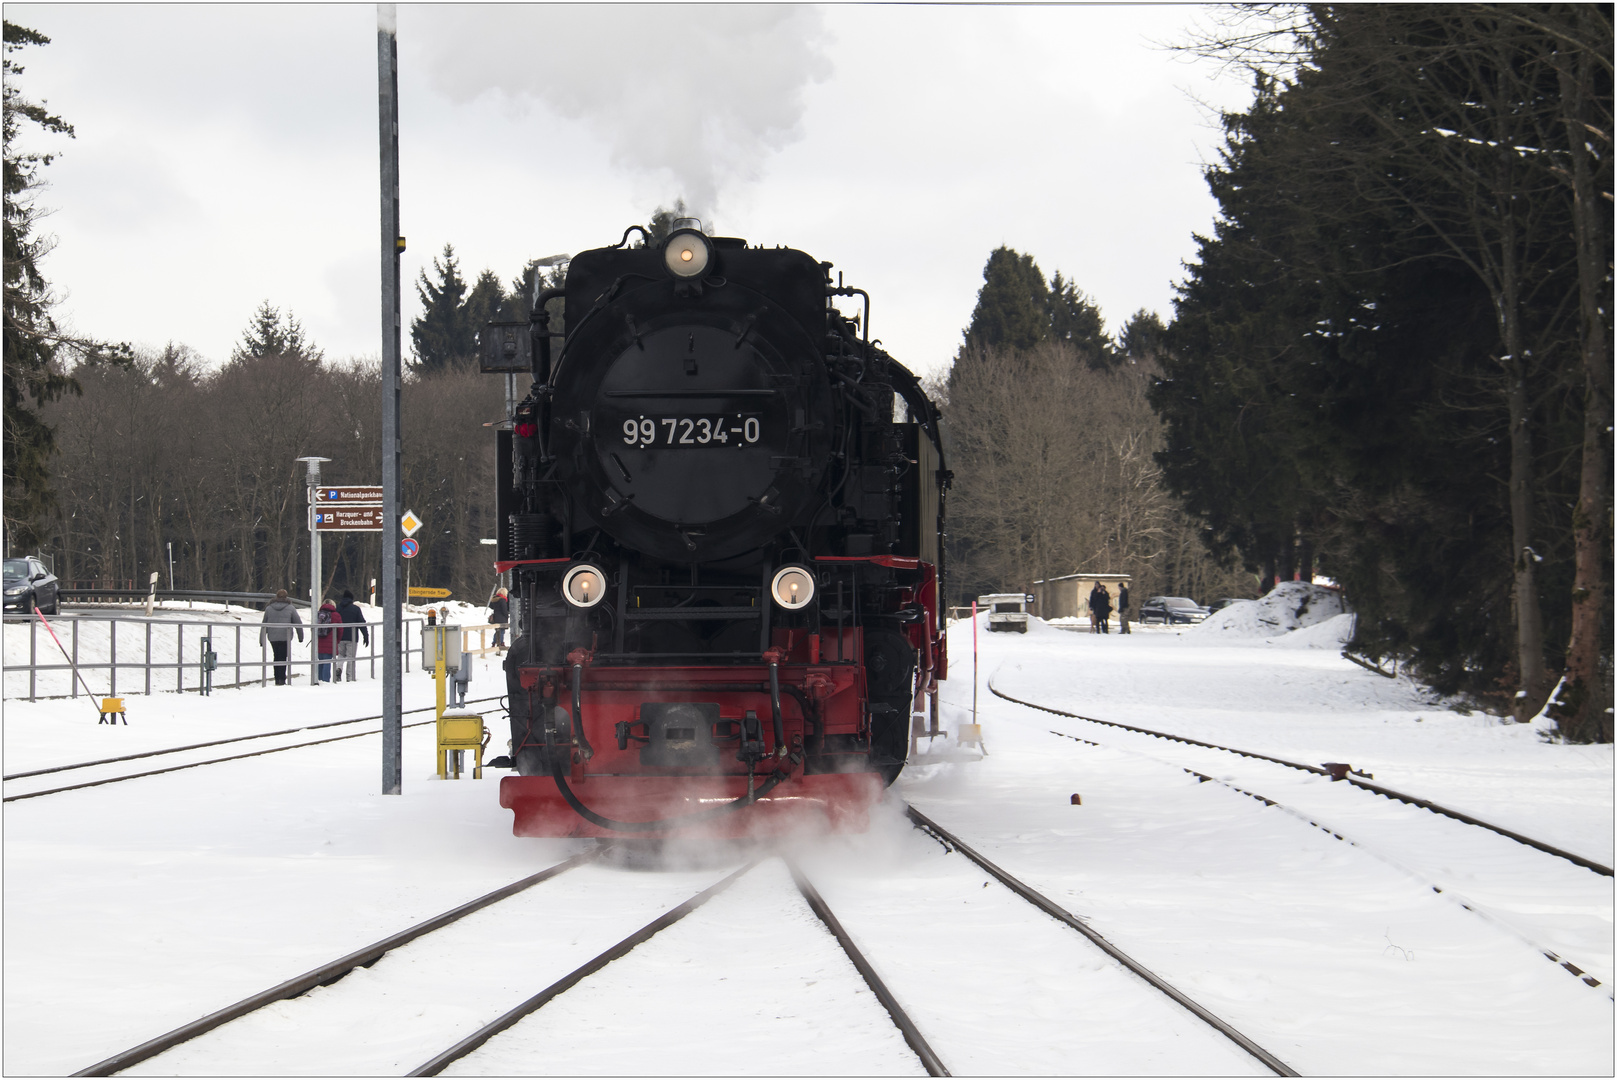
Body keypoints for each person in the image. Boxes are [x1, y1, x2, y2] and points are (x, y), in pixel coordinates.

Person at [259, 589, 304, 686]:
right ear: (286, 597)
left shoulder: (269, 608)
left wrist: (261, 639)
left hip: (273, 636)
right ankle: (282, 679)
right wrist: (301, 636)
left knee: (276, 656)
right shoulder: (291, 608)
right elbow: (298, 622)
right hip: (285, 636)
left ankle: (277, 678)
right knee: (283, 657)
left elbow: (264, 624)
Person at [335, 589, 369, 681]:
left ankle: (339, 668)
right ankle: (349, 677)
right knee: (351, 657)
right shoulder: (355, 609)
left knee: (341, 655)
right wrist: (366, 635)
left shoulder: (337, 608)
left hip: (340, 636)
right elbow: (361, 622)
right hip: (352, 637)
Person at [316, 599, 339, 682]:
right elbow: (340, 630)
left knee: (320, 661)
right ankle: (325, 680)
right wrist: (337, 641)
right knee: (327, 661)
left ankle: (319, 679)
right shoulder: (336, 615)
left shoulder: (318, 614)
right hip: (330, 641)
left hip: (319, 641)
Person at [490, 587, 509, 651]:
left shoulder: (495, 599)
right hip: (502, 618)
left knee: (497, 631)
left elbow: (491, 606)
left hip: (496, 618)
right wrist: (507, 616)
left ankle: (494, 643)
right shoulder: (502, 600)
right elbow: (504, 610)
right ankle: (501, 643)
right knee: (502, 631)